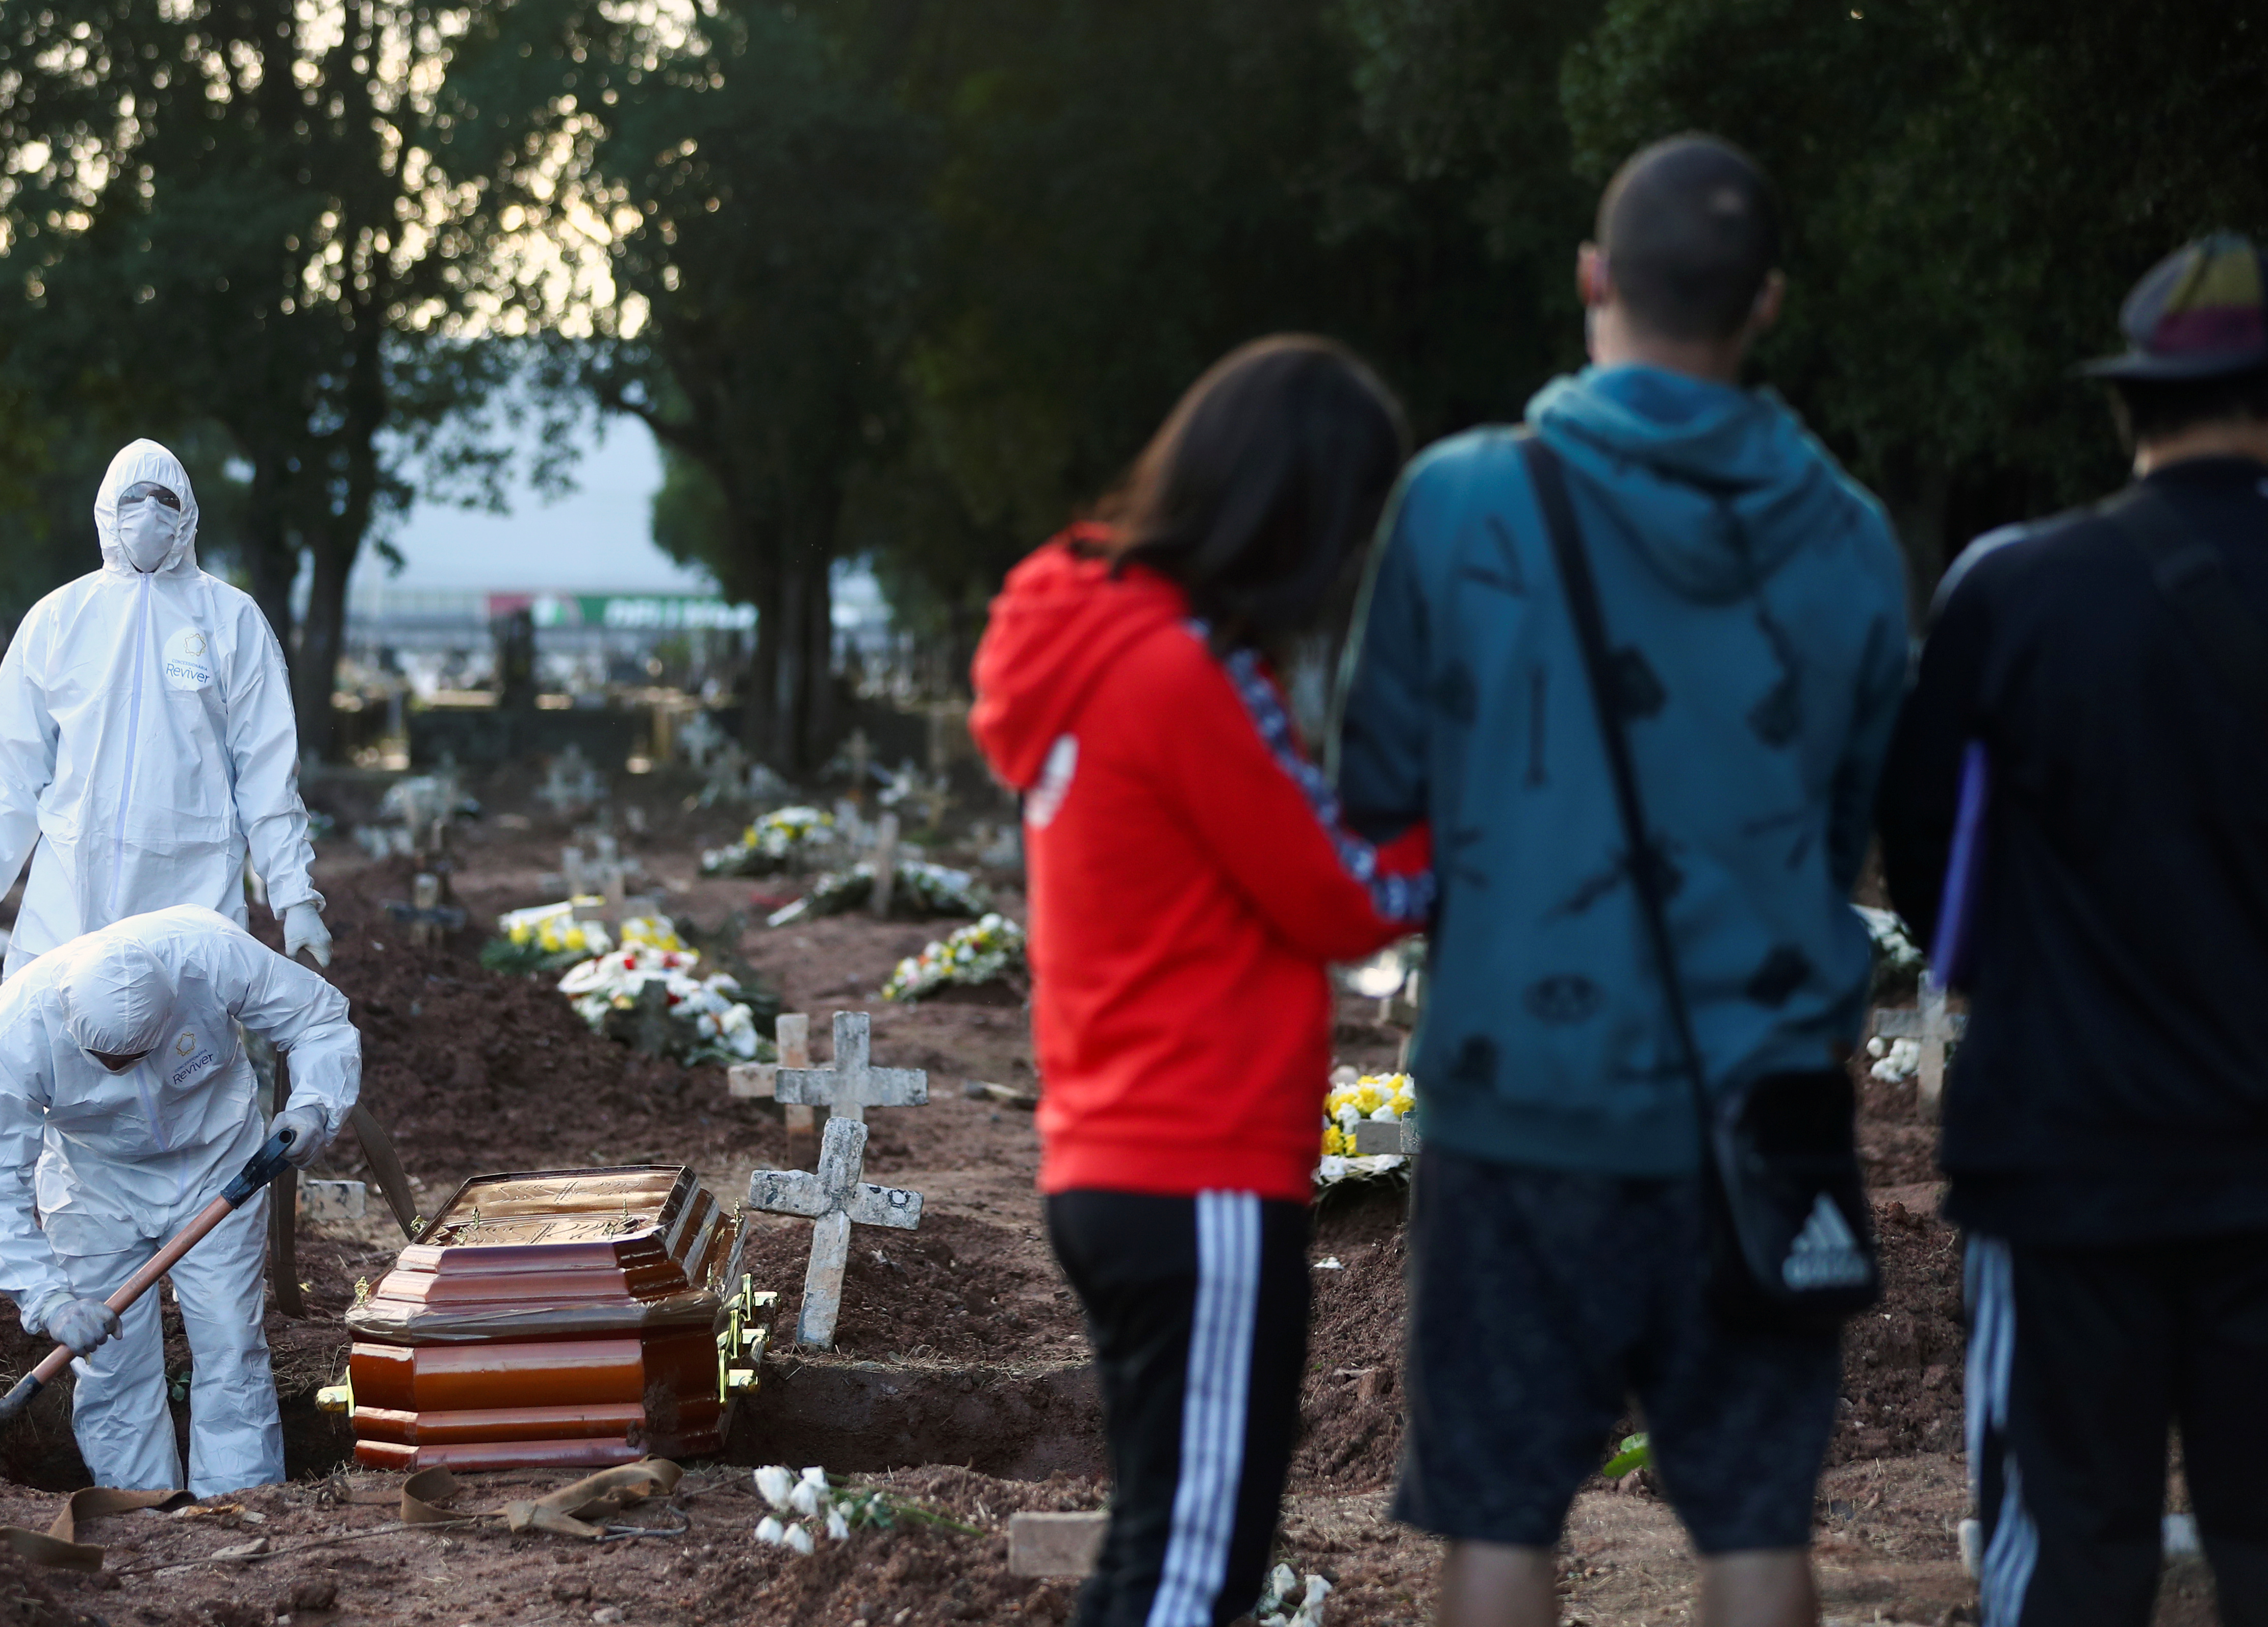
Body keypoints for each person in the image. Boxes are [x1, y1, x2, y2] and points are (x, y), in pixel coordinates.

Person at [1337, 136, 1910, 1627]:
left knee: (1502, 1526)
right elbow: (1851, 829)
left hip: (1519, 1096)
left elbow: (1379, 797)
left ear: (1595, 278)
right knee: (1757, 1533)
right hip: (1764, 1111)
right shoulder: (1850, 541)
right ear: (1765, 304)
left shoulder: (1458, 504)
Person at [969, 335, 1431, 1627]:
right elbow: (1343, 892)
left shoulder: (1084, 631)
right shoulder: (1177, 668)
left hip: (1116, 1158)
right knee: (1190, 1571)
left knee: (1164, 1551)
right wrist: (1465, 824)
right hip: (1199, 1166)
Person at [1877, 234, 2268, 1627]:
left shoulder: (2011, 586)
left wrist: (2025, 987)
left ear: (2126, 406)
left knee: (2074, 1543)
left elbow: (1924, 862)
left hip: (2063, 1157)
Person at [0, 905, 360, 1495]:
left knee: (231, 1344)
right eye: (108, 1064)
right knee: (111, 1366)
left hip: (215, 1164)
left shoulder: (207, 953)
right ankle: (140, 1514)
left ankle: (235, 1507)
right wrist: (49, 1299)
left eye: (134, 1059)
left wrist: (315, 1103)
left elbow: (318, 1018)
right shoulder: (21, 1024)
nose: (122, 1072)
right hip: (93, 1184)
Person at [0, 439, 330, 977]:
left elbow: (267, 776)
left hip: (193, 902)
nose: (148, 514)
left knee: (190, 1056)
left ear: (188, 514)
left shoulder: (233, 622)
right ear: (107, 510)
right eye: (133, 500)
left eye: (164, 501)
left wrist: (295, 897)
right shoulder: (58, 621)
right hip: (68, 908)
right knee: (56, 1047)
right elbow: (13, 771)